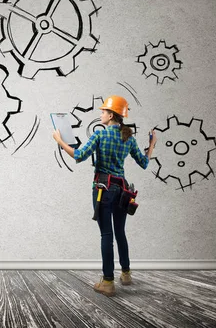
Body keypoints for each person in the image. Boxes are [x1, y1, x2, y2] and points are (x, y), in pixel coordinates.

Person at [52, 95, 157, 297]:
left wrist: (59, 141)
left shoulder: (100, 135)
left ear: (111, 115)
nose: (100, 114)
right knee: (120, 233)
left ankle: (108, 282)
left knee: (106, 235)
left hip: (103, 189)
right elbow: (144, 163)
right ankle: (126, 274)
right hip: (123, 191)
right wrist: (151, 145)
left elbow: (79, 156)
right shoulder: (129, 138)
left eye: (103, 112)